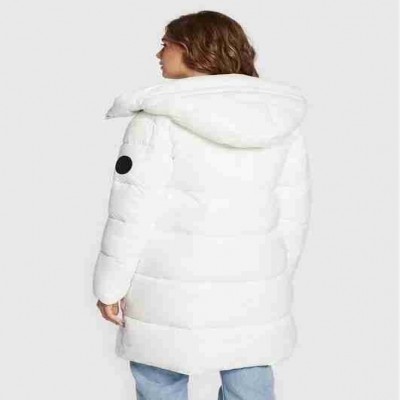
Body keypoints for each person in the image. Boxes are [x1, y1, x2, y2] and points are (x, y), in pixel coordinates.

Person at [92, 10, 312, 400]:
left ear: (193, 48)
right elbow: (294, 211)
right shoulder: (278, 120)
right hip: (254, 284)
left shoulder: (157, 120)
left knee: (161, 379)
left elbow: (132, 213)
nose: (158, 54)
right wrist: (277, 275)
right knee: (249, 379)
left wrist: (110, 286)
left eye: (165, 44)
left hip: (168, 287)